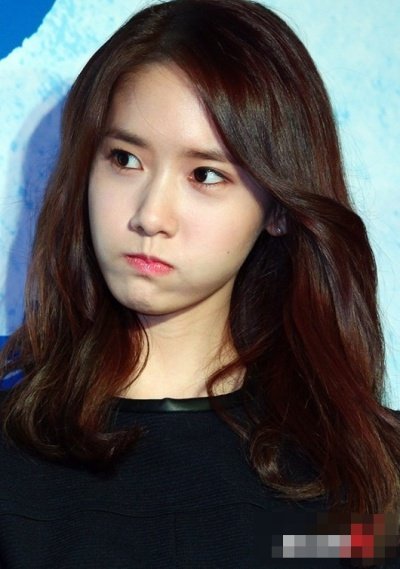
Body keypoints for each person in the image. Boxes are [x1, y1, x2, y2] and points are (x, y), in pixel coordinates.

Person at [0, 0, 399, 566]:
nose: (150, 216)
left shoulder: (372, 475)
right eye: (124, 159)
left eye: (205, 175)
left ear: (277, 208)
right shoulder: (12, 461)